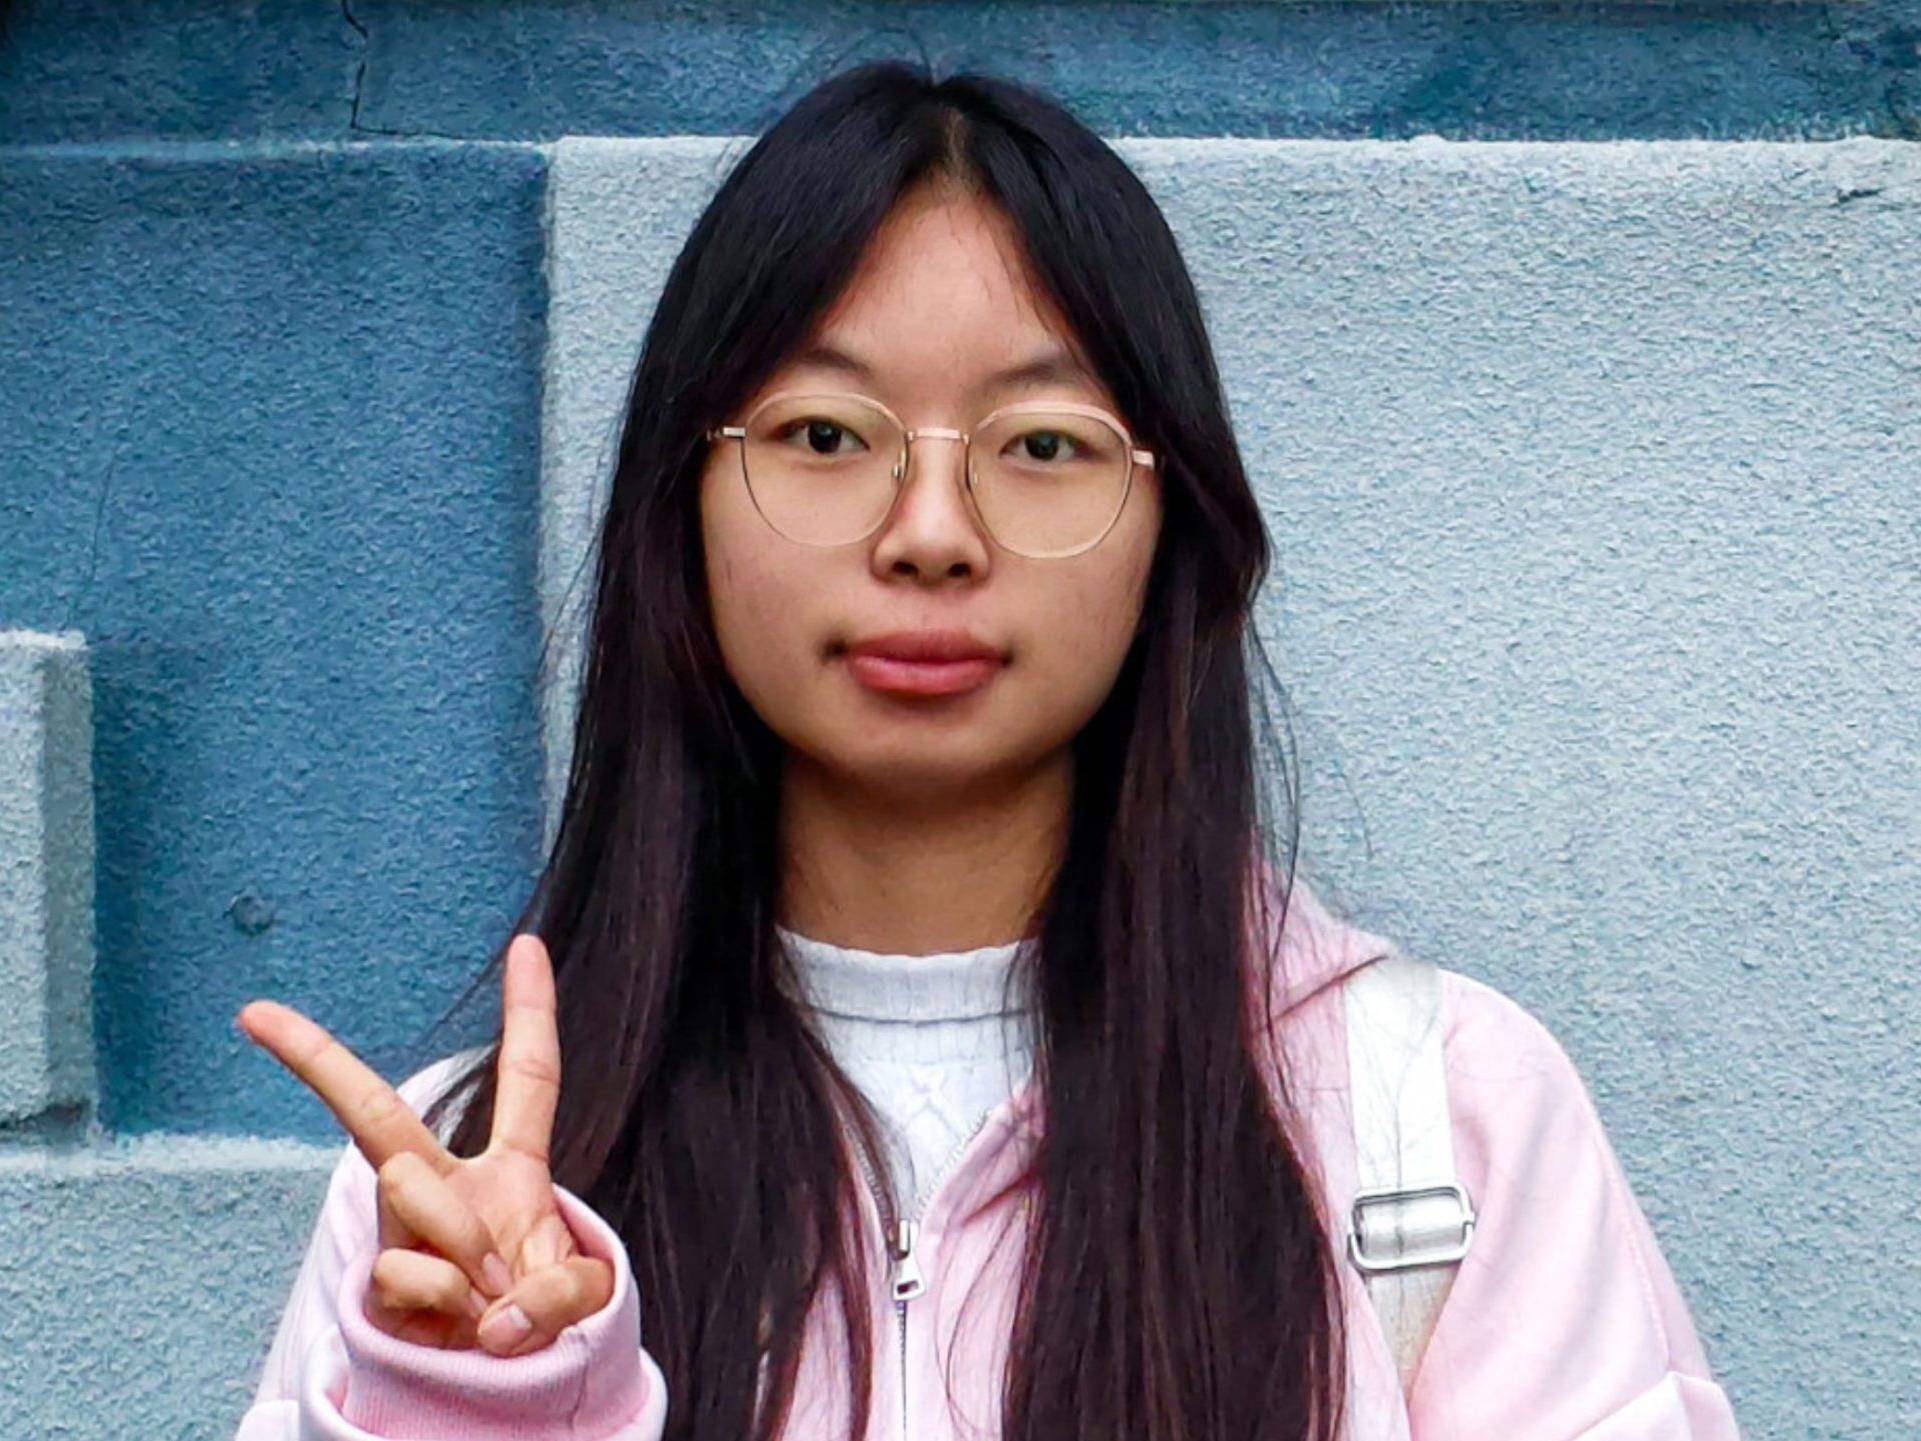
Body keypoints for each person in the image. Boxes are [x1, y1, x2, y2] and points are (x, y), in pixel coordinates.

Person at [232, 59, 1742, 1441]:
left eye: (1041, 445)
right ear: (677, 516)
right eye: (824, 435)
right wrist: (492, 1397)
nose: (932, 536)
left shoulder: (1442, 1120)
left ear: (1175, 530)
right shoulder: (453, 1192)